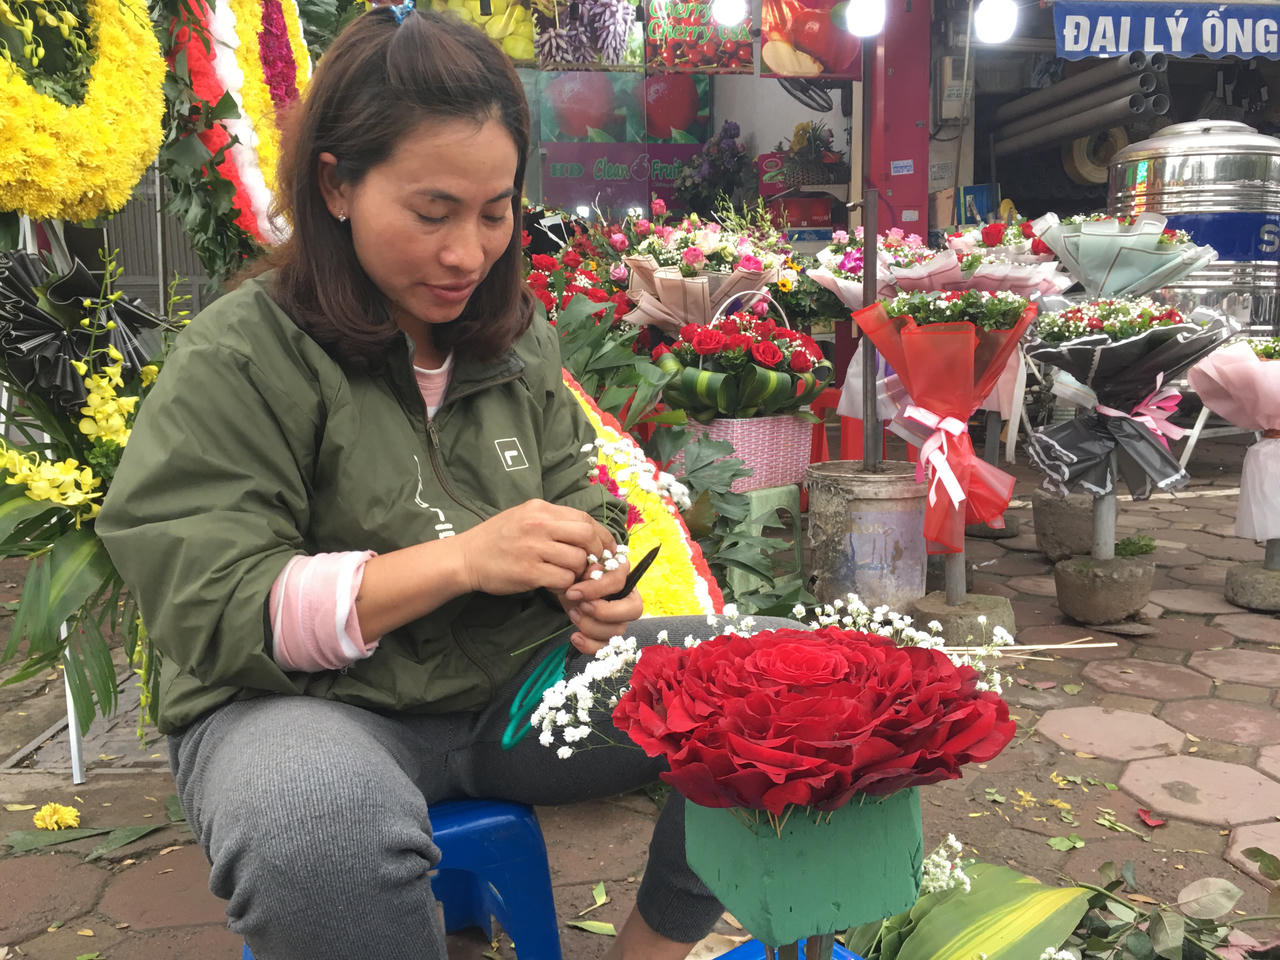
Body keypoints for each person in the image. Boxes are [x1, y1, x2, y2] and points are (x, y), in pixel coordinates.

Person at [95, 6, 762, 958]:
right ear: (336, 184)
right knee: (317, 833)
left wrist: (593, 567)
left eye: (496, 213)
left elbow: (578, 480)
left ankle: (647, 951)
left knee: (777, 682)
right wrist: (457, 562)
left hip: (515, 687)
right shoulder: (243, 355)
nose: (467, 254)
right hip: (303, 707)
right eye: (432, 212)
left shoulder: (510, 331)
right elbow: (217, 603)